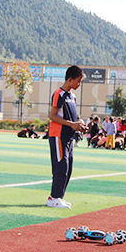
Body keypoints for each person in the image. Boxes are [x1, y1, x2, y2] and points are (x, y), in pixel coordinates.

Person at [45, 65, 86, 209]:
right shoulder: (59, 94)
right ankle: (53, 198)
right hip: (58, 135)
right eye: (78, 81)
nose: (79, 84)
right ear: (70, 79)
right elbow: (52, 116)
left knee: (68, 168)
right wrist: (71, 124)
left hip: (69, 137)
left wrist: (79, 124)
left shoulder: (72, 96)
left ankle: (59, 197)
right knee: (61, 167)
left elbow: (72, 116)